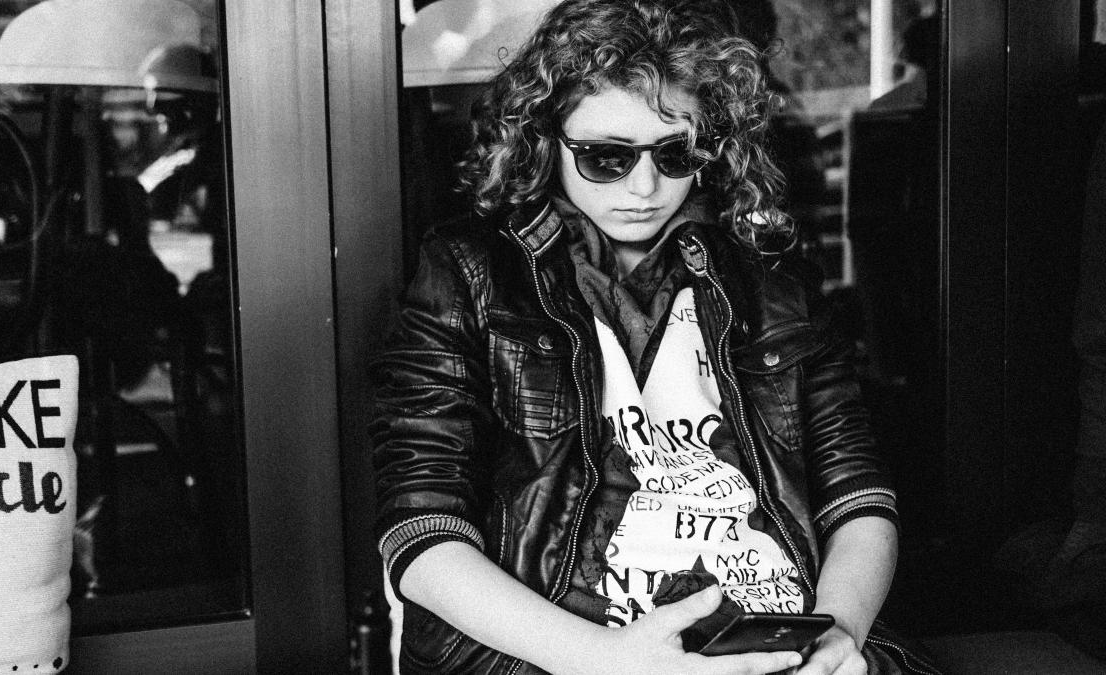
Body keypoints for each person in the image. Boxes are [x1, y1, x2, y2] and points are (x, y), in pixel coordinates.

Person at [371, 1, 937, 673]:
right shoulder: (469, 271)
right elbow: (421, 527)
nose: (644, 186)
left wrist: (840, 631)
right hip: (567, 646)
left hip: (773, 640)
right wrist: (606, 659)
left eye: (674, 155)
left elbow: (858, 492)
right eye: (607, 158)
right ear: (547, 141)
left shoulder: (771, 279)